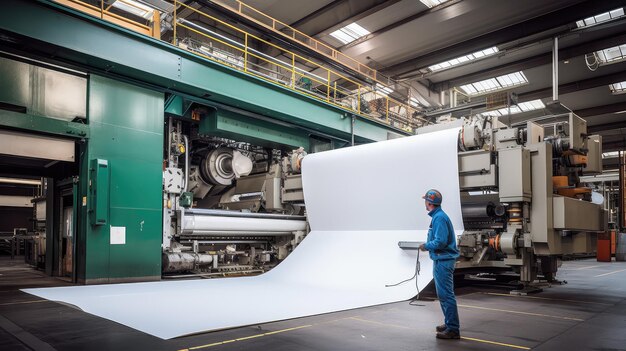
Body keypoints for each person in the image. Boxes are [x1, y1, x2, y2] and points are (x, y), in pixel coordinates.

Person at [418, 189, 461, 340]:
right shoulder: (437, 216)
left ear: (429, 203)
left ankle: (453, 329)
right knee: (443, 295)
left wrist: (426, 245)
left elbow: (440, 241)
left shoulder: (439, 218)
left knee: (446, 295)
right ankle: (449, 323)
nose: (424, 203)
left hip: (443, 261)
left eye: (425, 201)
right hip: (440, 260)